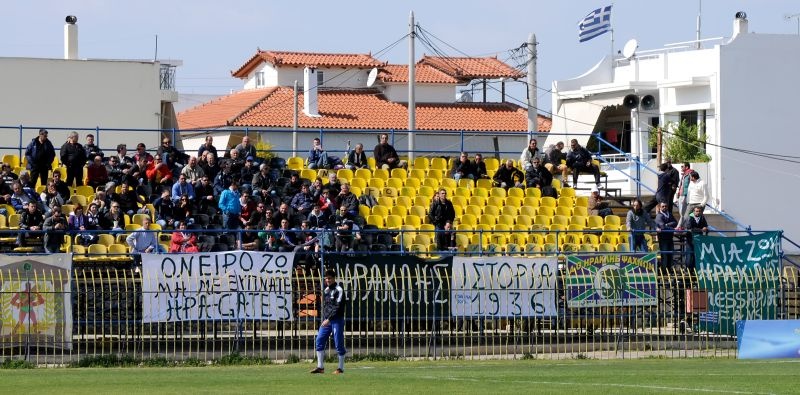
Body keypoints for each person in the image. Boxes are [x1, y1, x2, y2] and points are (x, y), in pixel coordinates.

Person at [310, 269, 347, 375]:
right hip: (327, 320)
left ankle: (340, 369)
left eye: (329, 278)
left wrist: (328, 319)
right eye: (326, 278)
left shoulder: (339, 290)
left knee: (338, 343)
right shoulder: (326, 290)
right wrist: (325, 318)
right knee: (319, 340)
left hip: (336, 320)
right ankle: (320, 367)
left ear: (334, 278)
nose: (327, 280)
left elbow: (337, 307)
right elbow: (326, 306)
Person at [655, 202, 678, 269]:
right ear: (660, 207)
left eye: (665, 206)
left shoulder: (669, 214)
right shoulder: (659, 216)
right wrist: (673, 228)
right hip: (663, 239)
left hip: (670, 238)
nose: (664, 207)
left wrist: (667, 225)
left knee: (670, 254)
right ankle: (664, 271)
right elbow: (662, 227)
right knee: (664, 255)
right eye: (663, 206)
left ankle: (669, 271)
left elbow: (675, 222)